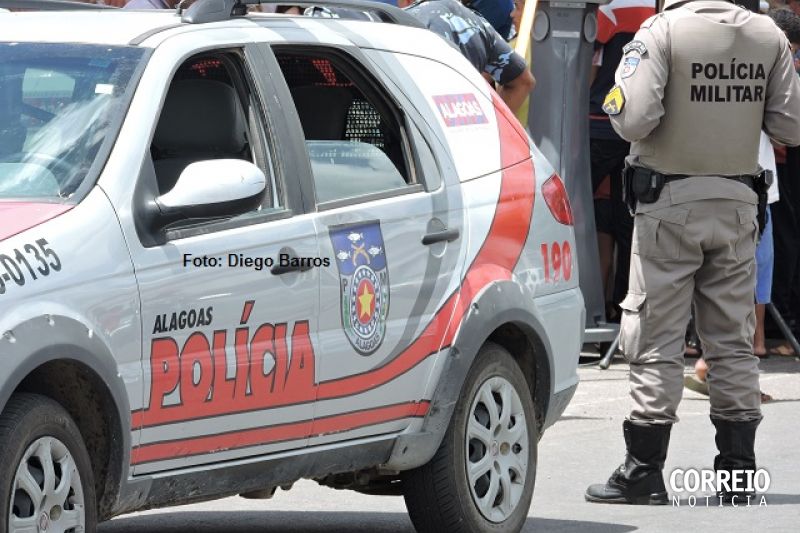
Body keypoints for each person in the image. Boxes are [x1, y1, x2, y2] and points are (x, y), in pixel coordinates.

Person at [585, 0, 800, 507]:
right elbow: (790, 126)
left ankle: (643, 472)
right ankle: (737, 476)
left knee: (656, 333)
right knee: (731, 338)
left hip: (669, 204)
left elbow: (634, 119)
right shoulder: (767, 36)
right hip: (737, 205)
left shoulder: (662, 31)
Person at [589, 0, 656, 316]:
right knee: (627, 221)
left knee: (573, 209)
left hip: (598, 123)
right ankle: (623, 307)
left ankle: (596, 306)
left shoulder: (609, 8)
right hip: (634, 128)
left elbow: (589, 67)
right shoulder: (656, 11)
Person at [398, 0, 535, 114]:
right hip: (471, 136)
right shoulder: (477, 23)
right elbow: (523, 82)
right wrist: (494, 132)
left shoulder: (399, 24)